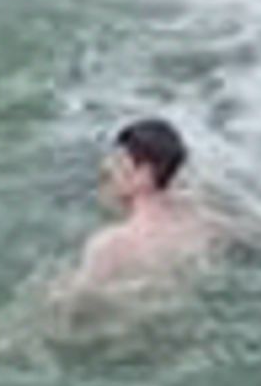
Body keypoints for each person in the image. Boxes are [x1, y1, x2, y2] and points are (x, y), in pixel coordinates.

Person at [57, 111, 231, 306]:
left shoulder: (110, 245)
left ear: (144, 174)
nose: (107, 167)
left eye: (119, 161)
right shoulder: (203, 221)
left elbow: (74, 307)